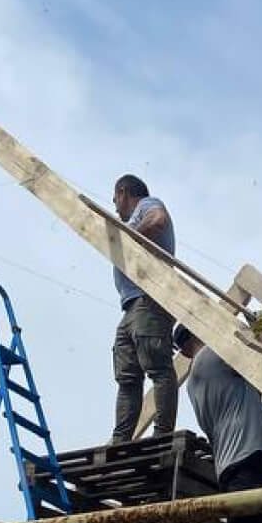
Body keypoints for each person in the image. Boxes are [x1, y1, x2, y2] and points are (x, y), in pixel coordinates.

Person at [174, 326, 262, 523]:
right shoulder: (211, 356)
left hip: (234, 458)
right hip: (245, 453)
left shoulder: (197, 379)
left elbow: (253, 389)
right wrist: (261, 330)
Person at [110, 175, 177, 444]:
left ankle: (162, 435)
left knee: (157, 367)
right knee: (127, 376)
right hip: (131, 306)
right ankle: (120, 439)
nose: (115, 206)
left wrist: (129, 239)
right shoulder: (134, 216)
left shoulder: (148, 205)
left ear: (124, 192)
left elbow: (158, 219)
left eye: (115, 199)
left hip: (149, 300)